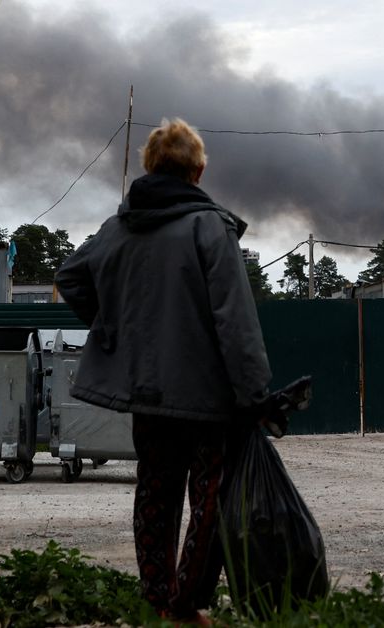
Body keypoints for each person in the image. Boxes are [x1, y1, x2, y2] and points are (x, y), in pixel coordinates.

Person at [55, 118, 271, 625]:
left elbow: (70, 276)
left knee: (155, 490)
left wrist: (116, 328)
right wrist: (256, 394)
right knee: (209, 496)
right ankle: (186, 605)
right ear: (197, 172)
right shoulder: (208, 227)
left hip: (147, 394)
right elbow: (235, 321)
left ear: (151, 168)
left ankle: (158, 598)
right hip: (205, 396)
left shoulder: (117, 228)